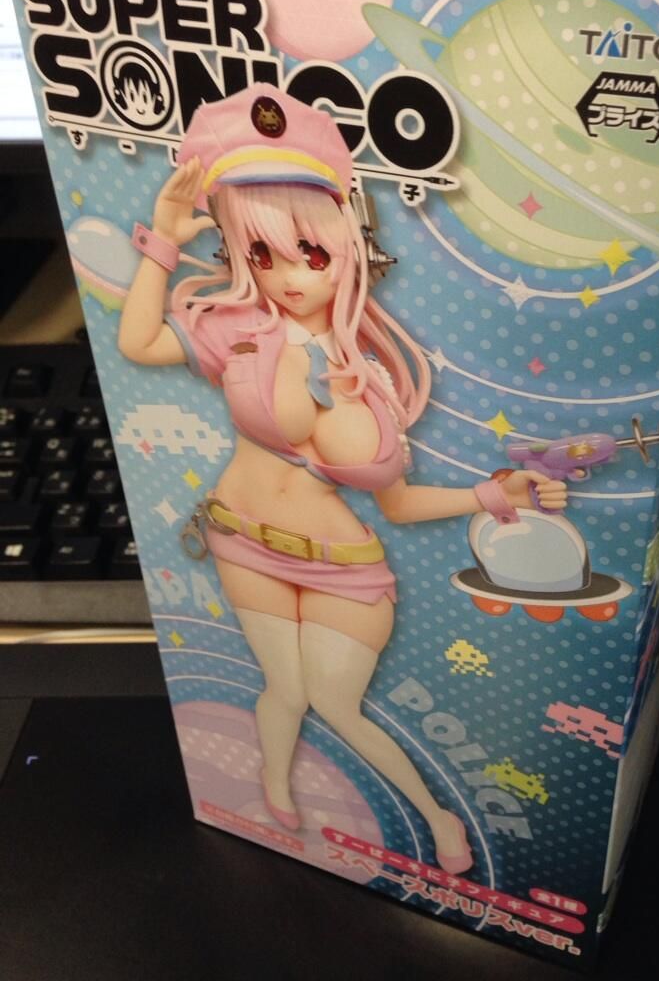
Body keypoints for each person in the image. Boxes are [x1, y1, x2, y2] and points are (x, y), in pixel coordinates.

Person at [118, 83, 567, 874]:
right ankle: (271, 786)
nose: (289, 275)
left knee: (334, 699)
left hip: (344, 568)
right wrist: (162, 241)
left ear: (345, 243)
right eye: (262, 253)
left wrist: (491, 496)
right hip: (242, 540)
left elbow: (396, 501)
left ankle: (436, 817)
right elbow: (138, 343)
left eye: (310, 252)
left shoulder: (375, 371)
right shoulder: (235, 328)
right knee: (284, 690)